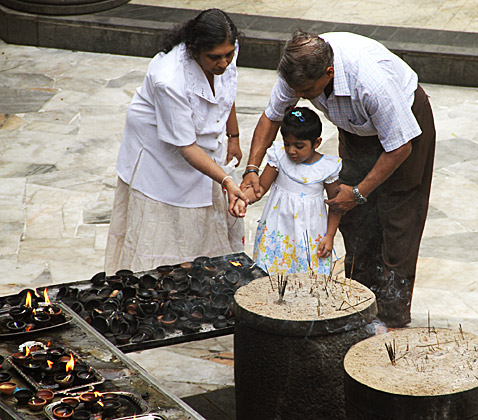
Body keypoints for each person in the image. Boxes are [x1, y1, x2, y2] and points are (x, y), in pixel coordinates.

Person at [241, 31, 436, 328]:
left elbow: (400, 147)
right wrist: (252, 168)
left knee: (398, 218)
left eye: (307, 90)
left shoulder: (372, 84)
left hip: (406, 130)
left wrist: (359, 192)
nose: (301, 97)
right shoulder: (297, 69)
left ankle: (392, 315)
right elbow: (272, 117)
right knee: (355, 218)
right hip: (358, 130)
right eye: (296, 90)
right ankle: (359, 303)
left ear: (329, 73)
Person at [105, 9, 249, 274]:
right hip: (158, 153)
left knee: (205, 222)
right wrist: (227, 180)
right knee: (170, 231)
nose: (224, 63)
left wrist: (234, 136)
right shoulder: (168, 80)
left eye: (229, 55)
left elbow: (226, 92)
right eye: (215, 58)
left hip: (196, 145)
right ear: (194, 49)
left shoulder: (226, 52)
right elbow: (186, 147)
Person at [235, 106, 342, 275]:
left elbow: (336, 204)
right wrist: (242, 199)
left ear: (317, 143)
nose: (291, 151)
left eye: (299, 146)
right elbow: (260, 188)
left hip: (309, 236)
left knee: (307, 280)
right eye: (287, 144)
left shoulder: (326, 168)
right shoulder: (279, 158)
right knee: (271, 277)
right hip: (278, 231)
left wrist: (329, 236)